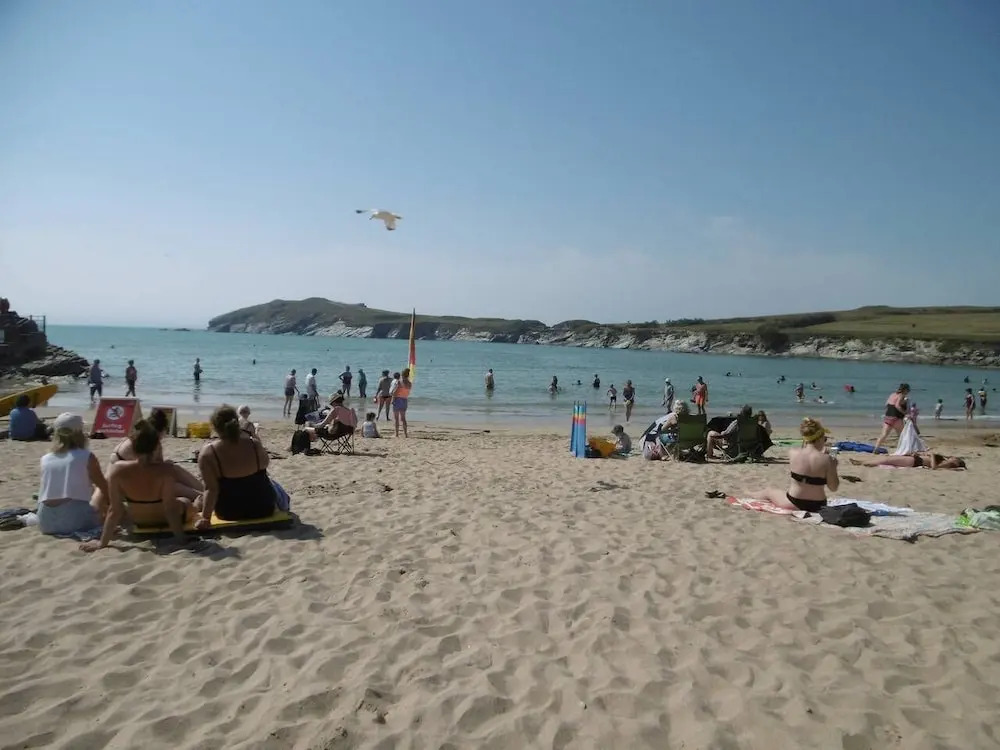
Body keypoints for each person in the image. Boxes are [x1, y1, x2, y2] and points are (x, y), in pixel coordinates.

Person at [82, 420, 202, 552]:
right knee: (185, 501)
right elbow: (170, 509)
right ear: (156, 446)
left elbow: (114, 511)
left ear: (133, 446)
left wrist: (102, 543)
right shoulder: (166, 470)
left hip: (137, 520)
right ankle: (197, 504)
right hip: (163, 518)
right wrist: (181, 539)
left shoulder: (117, 470)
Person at [197, 406, 284, 526]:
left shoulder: (208, 452)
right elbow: (264, 465)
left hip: (229, 511)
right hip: (263, 507)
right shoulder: (254, 444)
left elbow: (211, 489)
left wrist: (205, 518)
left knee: (200, 497)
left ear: (215, 427)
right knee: (274, 484)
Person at [36, 413, 110, 536]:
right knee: (100, 489)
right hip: (74, 521)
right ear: (79, 433)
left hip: (45, 521)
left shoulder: (45, 458)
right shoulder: (86, 456)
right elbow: (104, 487)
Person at [108, 408, 203, 501]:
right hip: (128, 487)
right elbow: (150, 470)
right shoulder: (145, 444)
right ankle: (203, 496)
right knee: (174, 486)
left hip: (130, 479)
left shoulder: (139, 438)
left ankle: (203, 491)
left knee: (174, 470)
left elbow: (151, 468)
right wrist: (166, 466)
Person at [746, 418, 839, 512]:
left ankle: (750, 493)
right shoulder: (829, 460)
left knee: (769, 490)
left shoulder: (793, 453)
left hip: (794, 503)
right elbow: (833, 488)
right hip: (818, 506)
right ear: (820, 438)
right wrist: (832, 463)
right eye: (824, 439)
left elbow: (805, 455)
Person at [873, 383, 910, 454]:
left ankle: (876, 449)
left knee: (883, 434)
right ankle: (903, 450)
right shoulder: (901, 395)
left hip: (888, 417)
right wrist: (905, 413)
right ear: (905, 390)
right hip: (896, 418)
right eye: (908, 390)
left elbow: (886, 404)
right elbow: (897, 405)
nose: (908, 392)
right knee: (902, 435)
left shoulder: (892, 394)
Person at [850, 452, 966, 470]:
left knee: (886, 460)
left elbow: (934, 467)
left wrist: (931, 455)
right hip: (915, 459)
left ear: (956, 463)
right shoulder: (945, 459)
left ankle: (861, 463)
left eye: (956, 458)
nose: (953, 457)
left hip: (915, 462)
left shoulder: (948, 464)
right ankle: (862, 462)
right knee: (886, 458)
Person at [390, 369, 412, 437]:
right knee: (403, 418)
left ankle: (396, 434)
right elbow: (407, 393)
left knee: (396, 418)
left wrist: (392, 398)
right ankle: (405, 434)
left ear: (402, 375)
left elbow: (395, 392)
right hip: (404, 400)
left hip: (397, 399)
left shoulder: (399, 382)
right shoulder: (410, 383)